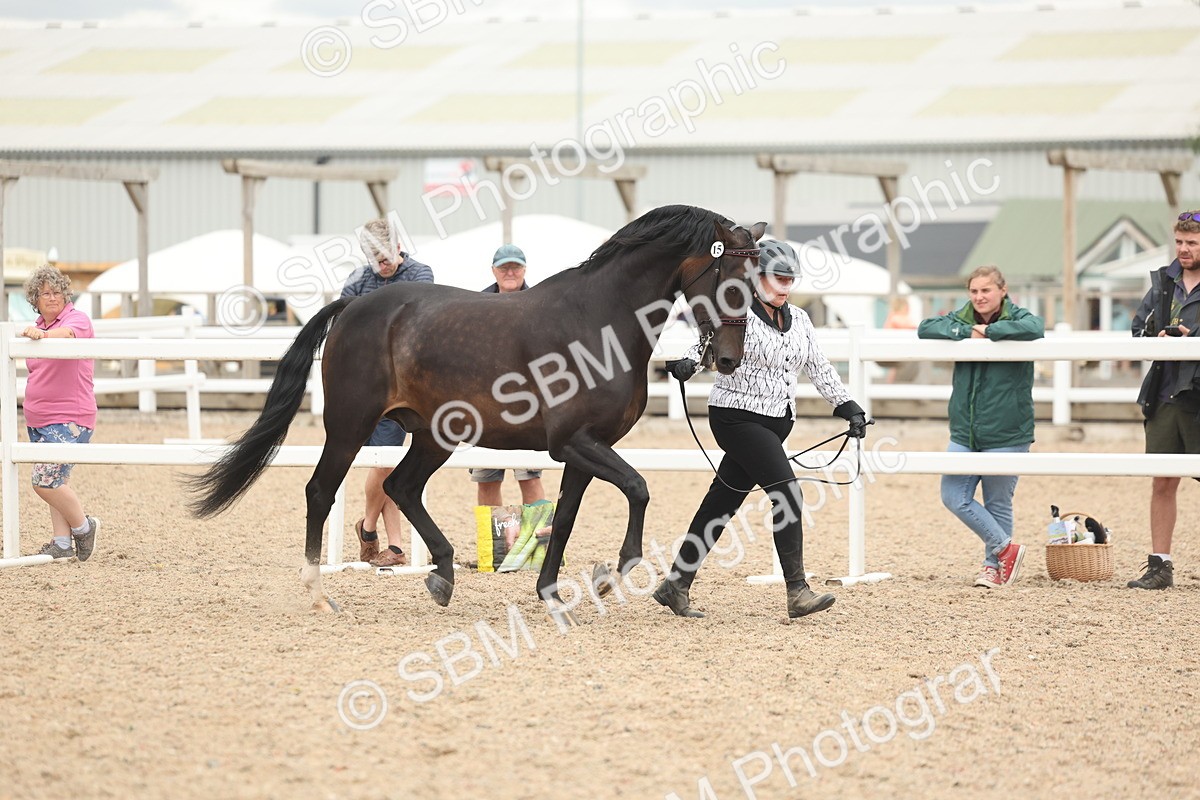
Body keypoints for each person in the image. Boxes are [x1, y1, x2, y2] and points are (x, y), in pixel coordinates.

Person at [656, 239, 868, 619]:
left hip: (777, 421)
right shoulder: (735, 311)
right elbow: (706, 346)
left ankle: (676, 584)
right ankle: (797, 590)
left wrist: (846, 405)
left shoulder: (800, 319)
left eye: (790, 279)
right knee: (787, 494)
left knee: (722, 502)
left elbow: (819, 367)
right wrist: (687, 364)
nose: (785, 286)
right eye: (777, 278)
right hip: (735, 417)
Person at [917, 265, 1044, 589]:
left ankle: (993, 567)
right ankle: (1006, 549)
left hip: (1007, 428)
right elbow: (926, 327)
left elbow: (1035, 327)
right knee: (953, 495)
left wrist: (988, 333)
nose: (979, 297)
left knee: (998, 501)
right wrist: (967, 332)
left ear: (1002, 290)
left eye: (986, 290)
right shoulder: (961, 318)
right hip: (965, 430)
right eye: (974, 291)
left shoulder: (1019, 317)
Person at [340, 218, 434, 567]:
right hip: (377, 386)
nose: (381, 261)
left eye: (384, 252)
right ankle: (394, 546)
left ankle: (367, 529)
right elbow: (345, 331)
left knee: (393, 464)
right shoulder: (357, 281)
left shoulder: (420, 275)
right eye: (372, 254)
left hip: (418, 387)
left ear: (398, 246)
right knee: (386, 461)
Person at [1127, 210, 1200, 590]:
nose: (1184, 250)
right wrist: (1156, 339)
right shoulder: (1163, 283)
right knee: (1162, 482)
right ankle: (1160, 565)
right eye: (1180, 242)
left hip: (1198, 395)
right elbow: (1138, 329)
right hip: (1166, 393)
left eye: (1192, 243)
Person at [19, 264, 101, 562]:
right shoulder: (37, 328)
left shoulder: (76, 320)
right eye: (45, 294)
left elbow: (68, 335)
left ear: (66, 295)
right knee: (57, 481)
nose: (52, 298)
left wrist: (42, 335)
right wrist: (39, 334)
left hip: (70, 417)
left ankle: (83, 526)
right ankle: (62, 542)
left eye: (56, 292)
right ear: (35, 300)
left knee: (45, 481)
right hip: (39, 419)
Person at [470, 243, 546, 507]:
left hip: (527, 406)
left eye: (515, 267)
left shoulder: (540, 304)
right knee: (487, 479)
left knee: (530, 477)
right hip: (484, 405)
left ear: (524, 269)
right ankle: (496, 548)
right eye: (504, 268)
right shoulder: (474, 306)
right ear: (494, 271)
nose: (510, 272)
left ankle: (538, 546)